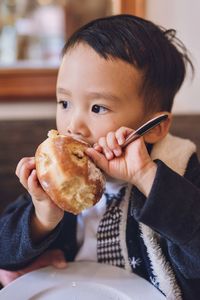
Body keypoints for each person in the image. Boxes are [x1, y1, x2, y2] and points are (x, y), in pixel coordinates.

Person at [0, 14, 199, 300]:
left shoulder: (177, 172)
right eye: (65, 103)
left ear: (155, 129)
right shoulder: (56, 181)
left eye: (97, 108)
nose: (73, 126)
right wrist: (42, 217)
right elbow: (5, 252)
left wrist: (146, 176)